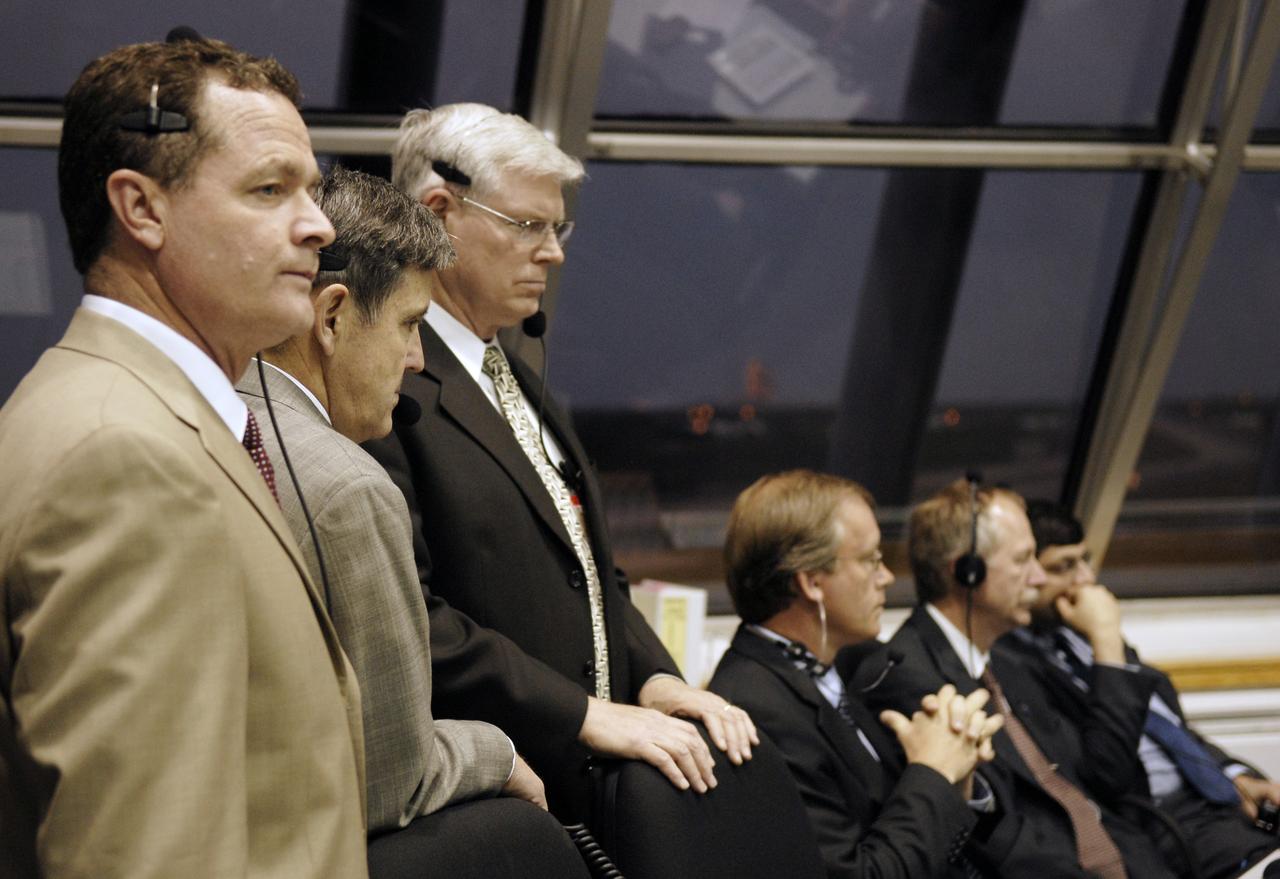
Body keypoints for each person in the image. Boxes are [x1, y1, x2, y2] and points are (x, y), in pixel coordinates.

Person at [0, 38, 366, 877]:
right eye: (269, 188)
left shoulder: (138, 417)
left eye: (311, 190)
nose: (319, 223)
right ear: (142, 209)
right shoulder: (123, 459)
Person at [363, 103, 758, 826]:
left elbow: (590, 565)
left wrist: (658, 678)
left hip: (587, 784)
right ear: (441, 211)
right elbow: (415, 618)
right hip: (493, 799)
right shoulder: (386, 389)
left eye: (557, 226)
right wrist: (582, 713)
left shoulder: (516, 376)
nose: (554, 252)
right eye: (528, 225)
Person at [236, 167, 589, 878]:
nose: (418, 358)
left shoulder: (212, 418)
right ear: (332, 316)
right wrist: (500, 750)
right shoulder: (345, 487)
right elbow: (394, 776)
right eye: (408, 324)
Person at [855, 479, 1174, 878]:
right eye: (1024, 560)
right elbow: (1000, 840)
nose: (1039, 578)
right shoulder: (914, 680)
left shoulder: (1008, 661)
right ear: (968, 572)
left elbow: (1103, 777)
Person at [708, 470, 1003, 878]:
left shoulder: (850, 665)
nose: (886, 578)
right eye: (871, 561)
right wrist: (933, 772)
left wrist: (958, 773)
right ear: (812, 582)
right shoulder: (755, 711)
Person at [999, 499, 1280, 878]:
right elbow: (1106, 773)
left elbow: (1170, 729)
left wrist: (1235, 776)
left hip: (1220, 803)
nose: (1085, 579)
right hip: (1163, 824)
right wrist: (1106, 643)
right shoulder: (1013, 666)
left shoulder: (1078, 635)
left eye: (1085, 561)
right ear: (1027, 573)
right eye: (1063, 567)